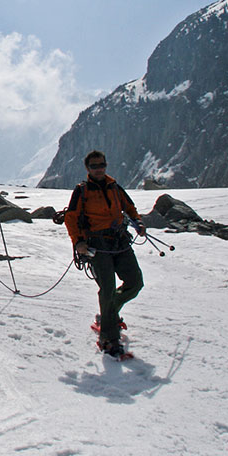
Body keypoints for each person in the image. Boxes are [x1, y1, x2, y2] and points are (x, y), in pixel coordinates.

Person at [64, 150, 145, 358]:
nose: (99, 169)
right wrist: (79, 242)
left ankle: (108, 314)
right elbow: (71, 218)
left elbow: (129, 208)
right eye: (94, 166)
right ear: (88, 169)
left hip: (119, 240)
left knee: (135, 282)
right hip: (97, 244)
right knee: (107, 288)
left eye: (101, 165)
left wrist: (139, 223)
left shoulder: (115, 187)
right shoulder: (81, 191)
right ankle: (109, 338)